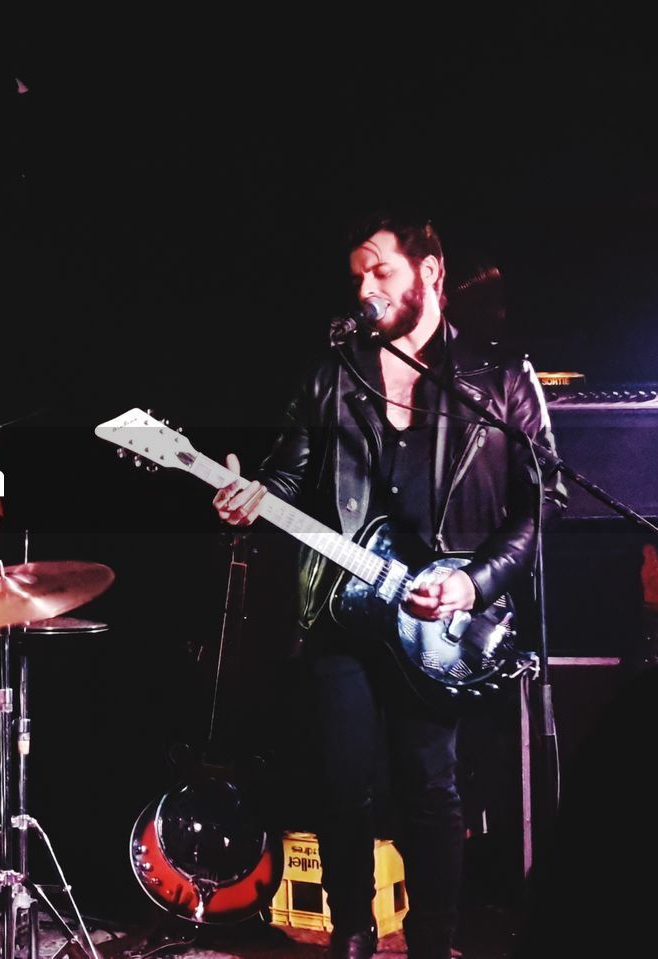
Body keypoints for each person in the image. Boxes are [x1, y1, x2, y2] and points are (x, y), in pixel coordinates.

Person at [213, 213, 565, 959]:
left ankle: (434, 942)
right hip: (343, 607)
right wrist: (246, 495)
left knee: (431, 788)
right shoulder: (330, 373)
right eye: (357, 277)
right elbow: (286, 475)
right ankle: (351, 935)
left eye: (381, 271)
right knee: (341, 784)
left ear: (429, 272)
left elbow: (539, 507)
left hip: (439, 617)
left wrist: (473, 586)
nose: (365, 288)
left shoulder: (498, 379)